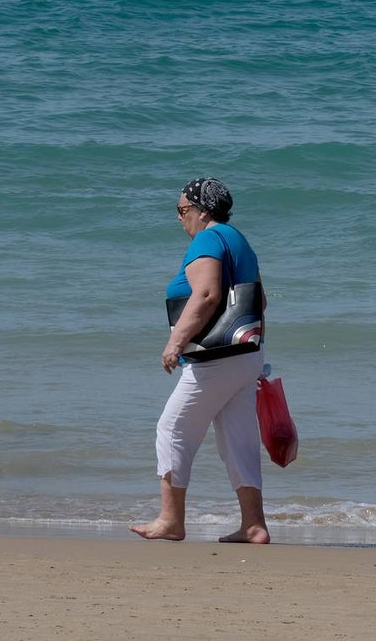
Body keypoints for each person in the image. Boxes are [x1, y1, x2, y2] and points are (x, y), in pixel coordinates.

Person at [130, 178, 270, 544]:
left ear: (202, 211)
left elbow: (206, 294)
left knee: (172, 429)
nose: (180, 219)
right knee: (239, 439)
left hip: (215, 358)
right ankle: (254, 525)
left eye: (182, 211)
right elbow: (260, 302)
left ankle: (171, 520)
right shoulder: (239, 240)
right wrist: (256, 353)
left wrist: (175, 343)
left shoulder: (207, 238)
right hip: (245, 353)